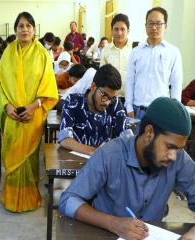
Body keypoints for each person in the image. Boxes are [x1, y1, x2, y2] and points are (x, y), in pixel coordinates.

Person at [59, 97, 195, 240]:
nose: (173, 156)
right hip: (105, 234)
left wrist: (191, 236)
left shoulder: (178, 159)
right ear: (149, 133)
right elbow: (68, 201)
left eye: (179, 149)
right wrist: (113, 223)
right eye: (169, 147)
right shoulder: (110, 154)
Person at [0, 12, 58, 212]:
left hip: (33, 116)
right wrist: (7, 107)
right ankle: (11, 198)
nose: (24, 29)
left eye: (28, 26)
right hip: (12, 116)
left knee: (30, 159)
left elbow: (49, 87)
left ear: (34, 30)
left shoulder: (41, 53)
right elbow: (0, 85)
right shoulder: (7, 53)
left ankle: (30, 199)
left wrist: (33, 107)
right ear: (15, 30)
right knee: (12, 156)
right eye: (21, 26)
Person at [125, 7, 182, 120]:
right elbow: (130, 80)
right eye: (150, 23)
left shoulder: (173, 52)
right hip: (138, 110)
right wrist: (129, 107)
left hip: (161, 112)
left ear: (165, 26)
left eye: (158, 24)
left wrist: (175, 111)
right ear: (145, 25)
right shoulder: (136, 52)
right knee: (136, 138)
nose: (154, 27)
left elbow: (176, 84)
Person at [58, 64, 127, 155]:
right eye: (104, 96)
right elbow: (64, 139)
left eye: (112, 98)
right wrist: (94, 152)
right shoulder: (73, 101)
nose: (107, 103)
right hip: (75, 164)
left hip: (103, 165)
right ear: (93, 86)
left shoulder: (115, 103)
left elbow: (126, 138)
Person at [100, 13, 132, 98]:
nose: (119, 33)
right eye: (116, 29)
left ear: (128, 30)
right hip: (110, 98)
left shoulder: (134, 50)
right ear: (111, 30)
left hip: (130, 98)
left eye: (122, 29)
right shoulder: (105, 50)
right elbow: (102, 76)